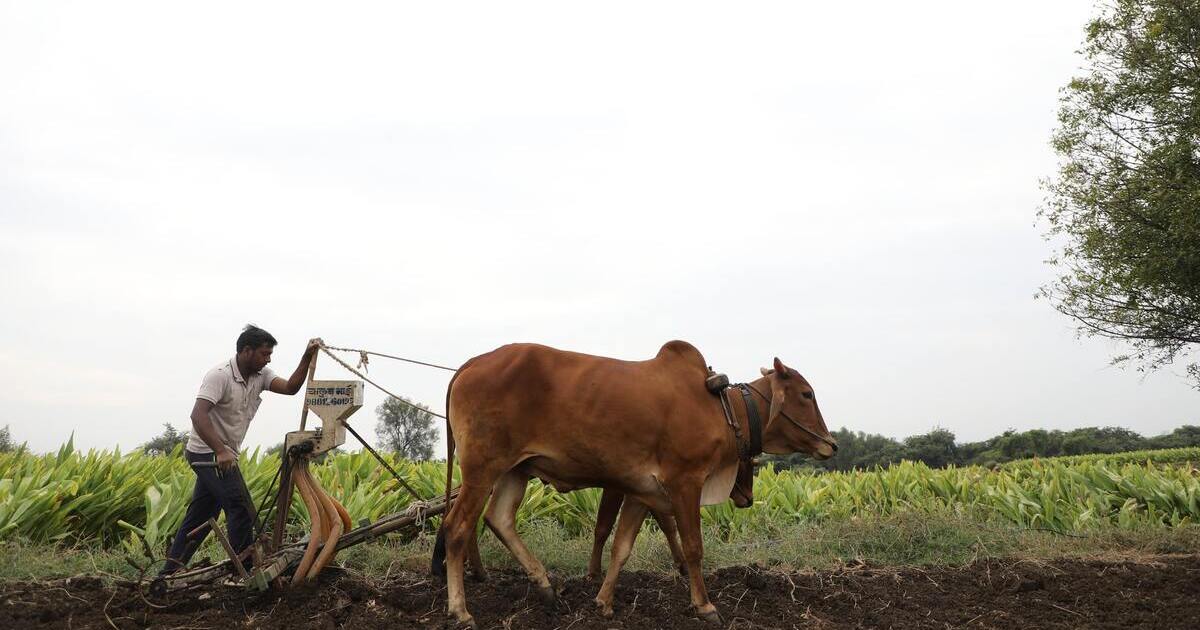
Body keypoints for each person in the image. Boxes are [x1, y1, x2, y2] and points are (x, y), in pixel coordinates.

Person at [159, 325, 321, 576]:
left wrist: (306, 357)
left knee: (203, 514)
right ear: (247, 351)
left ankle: (167, 574)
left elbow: (290, 387)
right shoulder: (220, 376)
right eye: (264, 354)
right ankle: (246, 571)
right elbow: (198, 415)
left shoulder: (261, 375)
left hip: (224, 454)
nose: (268, 359)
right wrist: (220, 451)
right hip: (206, 453)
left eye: (270, 355)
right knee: (239, 507)